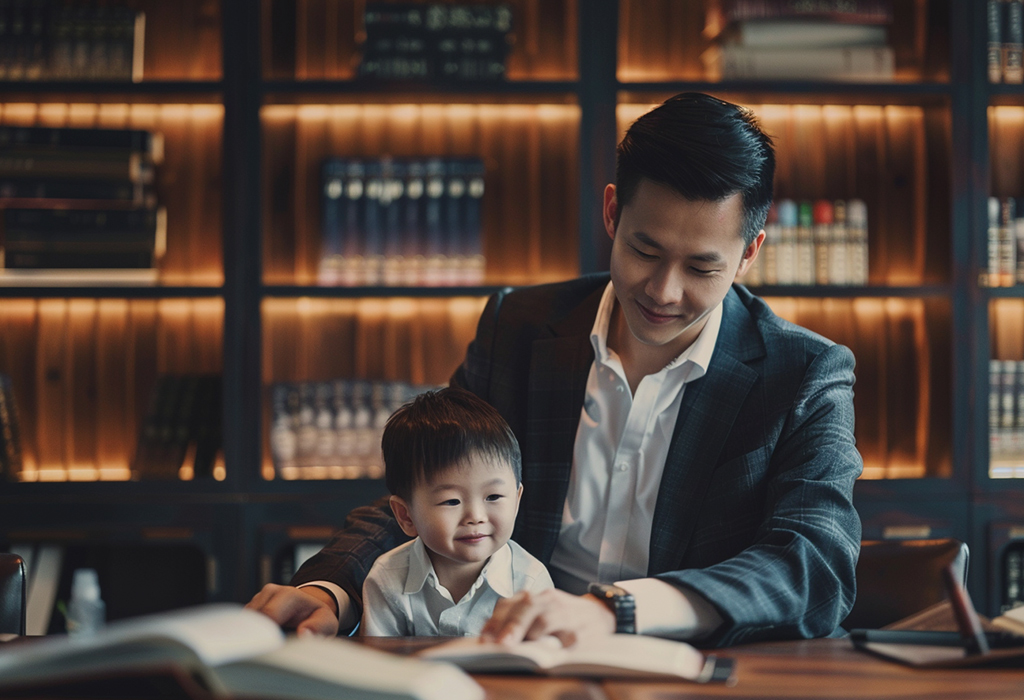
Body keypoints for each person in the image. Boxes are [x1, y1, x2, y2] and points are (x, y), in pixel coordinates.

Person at [246, 92, 863, 647]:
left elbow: (813, 564)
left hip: (697, 675)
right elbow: (429, 487)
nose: (663, 290)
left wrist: (614, 611)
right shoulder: (521, 327)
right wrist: (330, 591)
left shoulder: (804, 374)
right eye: (644, 250)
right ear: (613, 213)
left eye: (702, 268)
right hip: (518, 668)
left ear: (750, 252)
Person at [359, 387, 553, 636]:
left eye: (493, 497)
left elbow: (543, 661)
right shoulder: (387, 578)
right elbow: (377, 666)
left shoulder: (530, 581)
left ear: (516, 501)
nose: (475, 516)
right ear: (406, 516)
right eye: (451, 501)